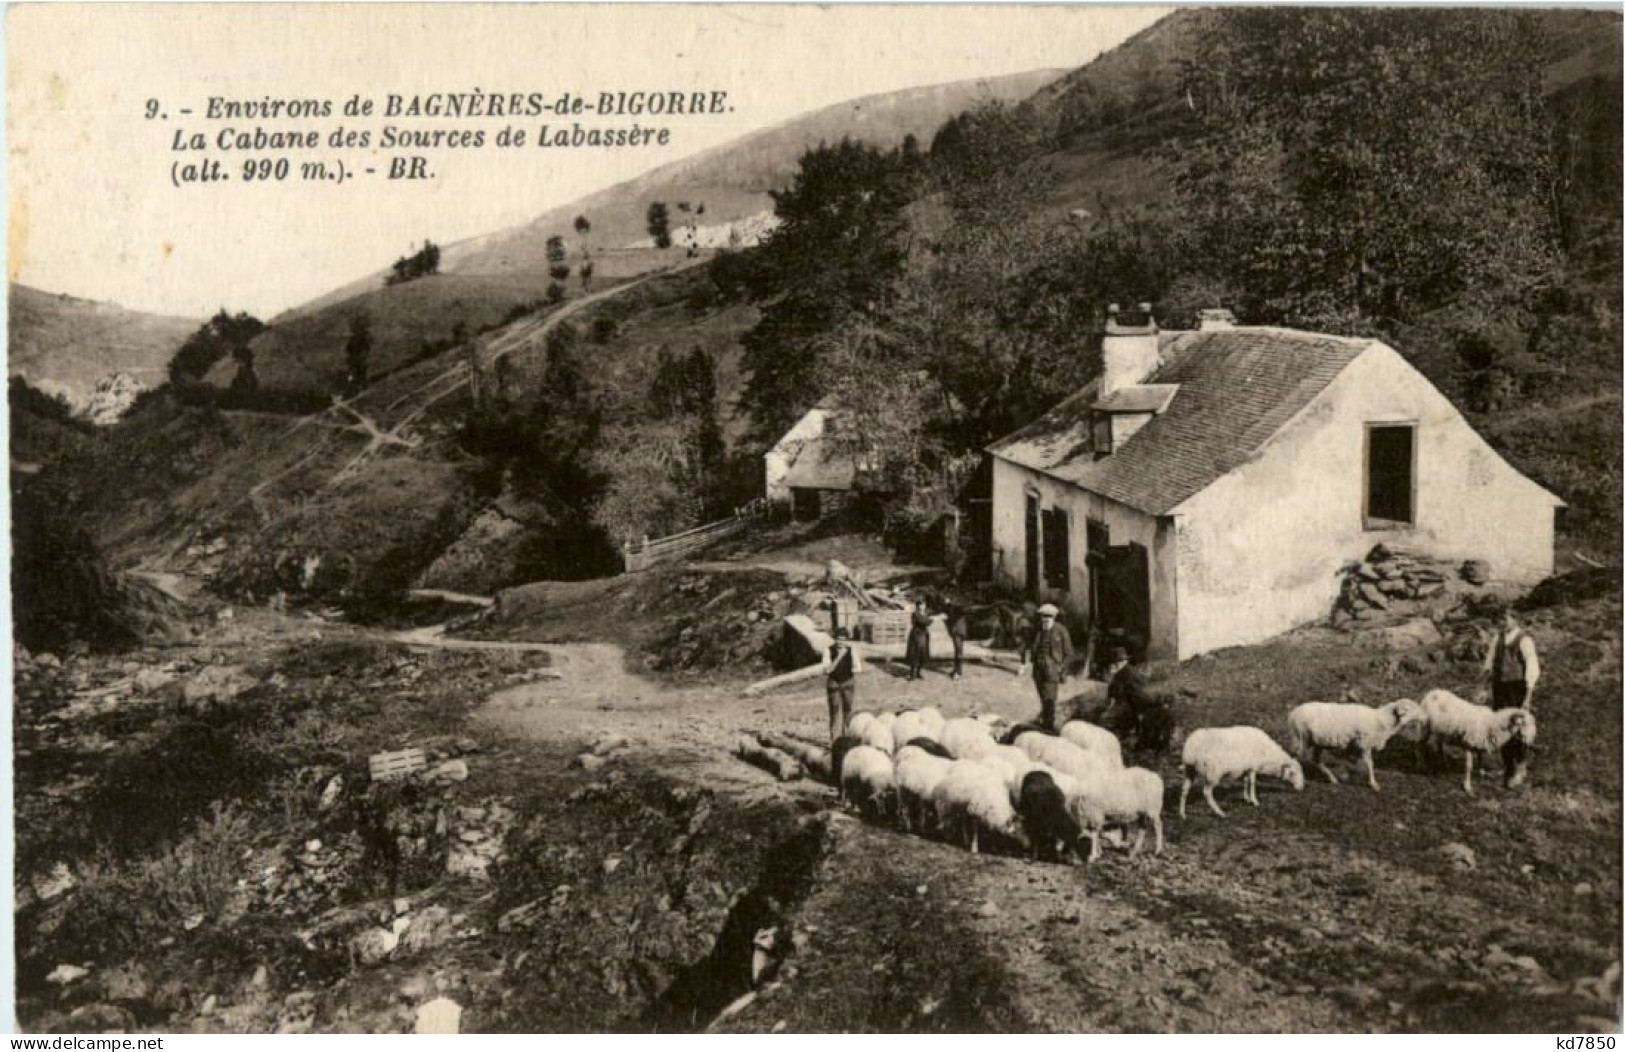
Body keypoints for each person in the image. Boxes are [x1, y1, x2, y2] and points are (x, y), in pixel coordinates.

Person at [1483, 602, 1540, 788]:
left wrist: (1528, 695)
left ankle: (1521, 766)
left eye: (1505, 619)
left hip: (1517, 688)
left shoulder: (1524, 640)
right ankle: (1508, 766)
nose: (1502, 622)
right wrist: (1485, 687)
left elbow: (1532, 667)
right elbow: (1489, 664)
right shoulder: (1497, 638)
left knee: (1518, 727)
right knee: (1501, 726)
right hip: (1500, 688)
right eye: (1500, 619)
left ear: (1515, 619)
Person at [1019, 603, 1073, 730]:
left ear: (1054, 617)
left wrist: (1060, 668)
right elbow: (1028, 645)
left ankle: (1049, 726)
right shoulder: (1037, 630)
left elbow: (1069, 654)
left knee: (1050, 699)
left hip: (1052, 670)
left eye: (1048, 617)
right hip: (1038, 669)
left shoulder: (1061, 631)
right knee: (1043, 697)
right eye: (1043, 616)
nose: (1045, 619)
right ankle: (1045, 722)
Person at [823, 628, 864, 745]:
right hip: (834, 683)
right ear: (835, 639)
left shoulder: (852, 651)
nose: (841, 642)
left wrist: (849, 670)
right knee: (834, 711)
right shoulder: (828, 650)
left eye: (843, 639)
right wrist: (839, 657)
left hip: (848, 682)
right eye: (838, 639)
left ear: (846, 640)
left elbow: (858, 668)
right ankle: (835, 741)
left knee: (848, 711)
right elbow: (827, 669)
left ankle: (846, 738)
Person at [905, 599, 932, 681]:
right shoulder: (915, 614)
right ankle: (912, 674)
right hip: (916, 635)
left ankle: (918, 673)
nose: (923, 606)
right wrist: (932, 619)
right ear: (918, 606)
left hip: (924, 635)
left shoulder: (925, 613)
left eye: (924, 605)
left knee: (922, 654)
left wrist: (930, 619)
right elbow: (923, 622)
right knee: (915, 653)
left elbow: (927, 622)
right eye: (921, 605)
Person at [947, 602, 969, 681]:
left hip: (959, 633)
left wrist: (950, 603)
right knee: (957, 652)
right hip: (957, 632)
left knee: (959, 652)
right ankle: (956, 670)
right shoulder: (955, 610)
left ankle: (958, 672)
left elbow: (961, 609)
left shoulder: (960, 610)